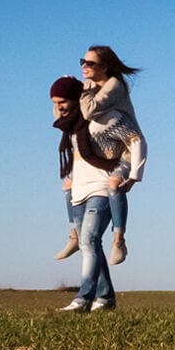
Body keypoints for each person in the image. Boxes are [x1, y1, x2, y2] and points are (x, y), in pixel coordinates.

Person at [50, 76, 144, 312]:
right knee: (88, 243)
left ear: (76, 99)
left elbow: (135, 141)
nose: (58, 107)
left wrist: (130, 173)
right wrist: (70, 177)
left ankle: (83, 298)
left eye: (62, 101)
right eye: (54, 102)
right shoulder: (71, 124)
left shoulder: (106, 118)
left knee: (90, 239)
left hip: (102, 186)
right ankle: (105, 297)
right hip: (79, 188)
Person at [54, 45, 146, 263]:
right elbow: (66, 109)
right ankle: (73, 236)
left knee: (114, 184)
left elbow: (88, 110)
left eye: (91, 63)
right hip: (100, 149)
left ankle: (119, 241)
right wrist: (68, 87)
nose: (84, 67)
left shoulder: (114, 85)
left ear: (104, 67)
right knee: (69, 185)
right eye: (83, 62)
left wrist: (134, 175)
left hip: (122, 148)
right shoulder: (92, 85)